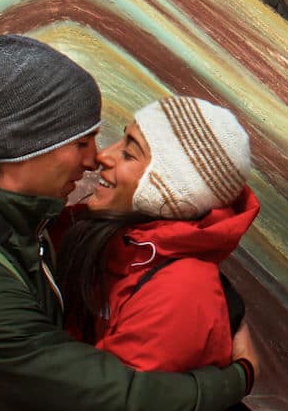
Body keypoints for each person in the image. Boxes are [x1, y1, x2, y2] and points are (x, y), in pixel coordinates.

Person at [0, 34, 257, 411]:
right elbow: (116, 401)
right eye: (82, 143)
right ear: (29, 145)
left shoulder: (2, 220)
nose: (96, 159)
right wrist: (239, 376)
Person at [56, 96, 261, 374]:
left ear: (169, 189)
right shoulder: (108, 239)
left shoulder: (180, 294)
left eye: (129, 153)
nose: (104, 156)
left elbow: (101, 399)